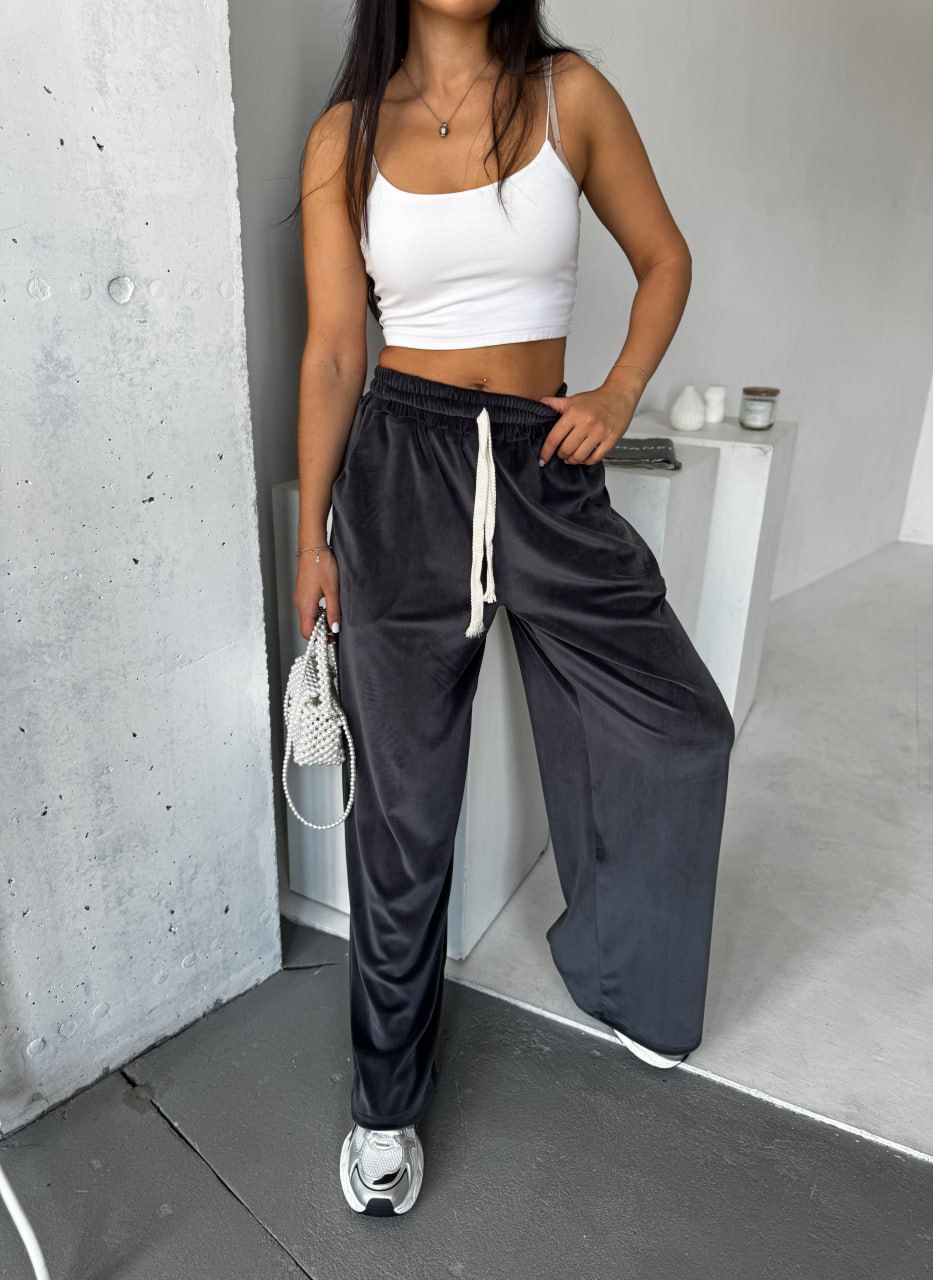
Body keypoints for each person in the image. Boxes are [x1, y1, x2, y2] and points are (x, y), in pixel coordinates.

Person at [290, 2, 735, 1217]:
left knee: (680, 724)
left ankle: (622, 971)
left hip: (545, 461)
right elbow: (333, 351)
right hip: (401, 474)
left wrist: (621, 391)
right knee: (404, 812)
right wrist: (312, 538)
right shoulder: (344, 135)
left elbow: (666, 257)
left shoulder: (567, 92)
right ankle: (384, 1102)